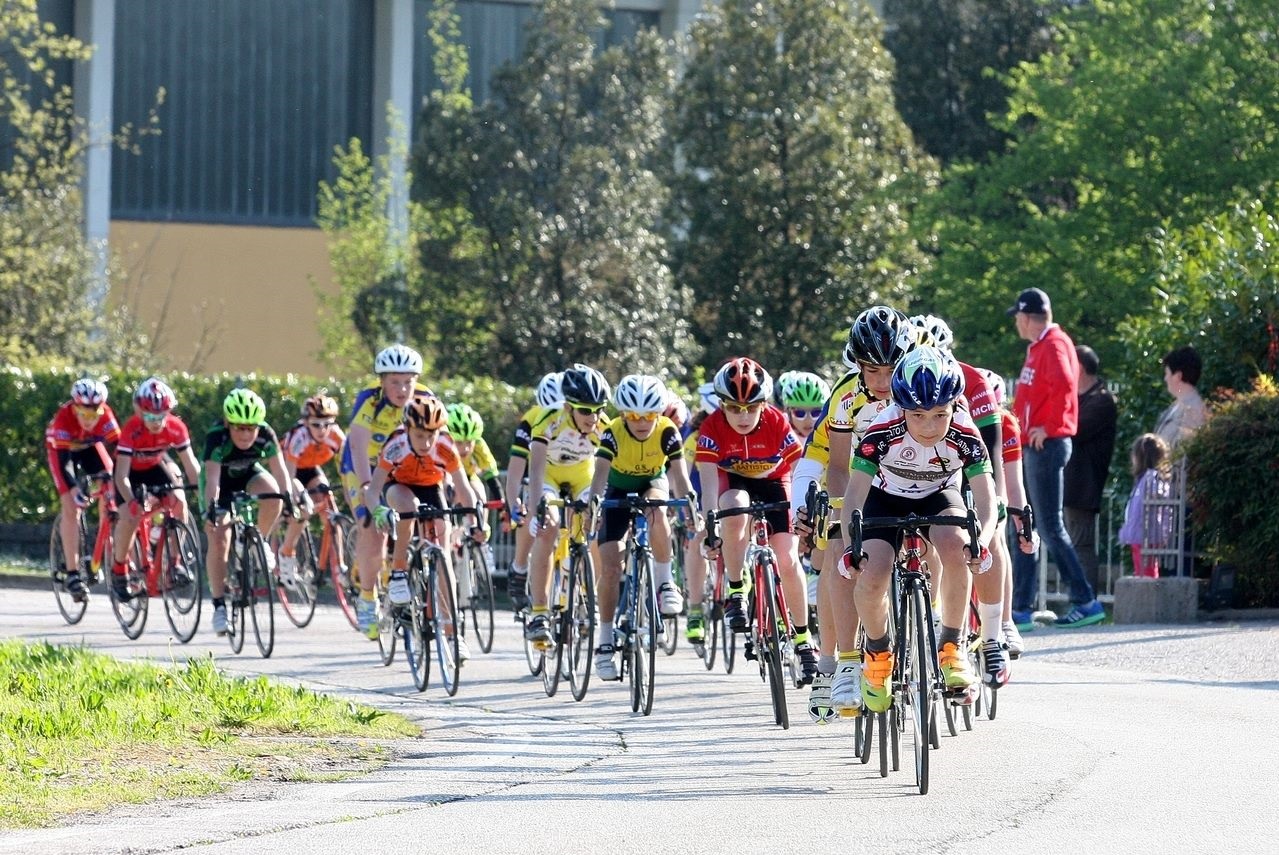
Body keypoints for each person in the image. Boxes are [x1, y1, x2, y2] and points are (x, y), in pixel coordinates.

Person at [839, 346, 998, 712]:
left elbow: (986, 502)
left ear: (955, 405)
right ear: (901, 409)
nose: (930, 426)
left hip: (938, 494)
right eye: (919, 415)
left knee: (958, 546)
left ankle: (952, 647)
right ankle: (877, 655)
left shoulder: (965, 434)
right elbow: (853, 498)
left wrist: (983, 543)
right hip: (883, 497)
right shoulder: (881, 431)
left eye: (940, 414)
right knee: (873, 573)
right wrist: (851, 546)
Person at [696, 357, 817, 683]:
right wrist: (710, 528)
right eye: (734, 408)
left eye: (751, 407)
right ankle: (736, 589)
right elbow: (708, 485)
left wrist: (804, 515)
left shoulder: (777, 421)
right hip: (734, 482)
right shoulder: (711, 428)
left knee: (788, 558)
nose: (744, 416)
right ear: (722, 406)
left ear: (764, 404)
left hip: (776, 482)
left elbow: (799, 470)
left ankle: (804, 639)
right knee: (732, 507)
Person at [588, 374, 698, 680]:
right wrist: (594, 506)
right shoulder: (612, 432)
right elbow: (599, 477)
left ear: (659, 413)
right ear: (624, 414)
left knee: (657, 508)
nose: (641, 422)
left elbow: (679, 477)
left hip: (653, 482)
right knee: (610, 567)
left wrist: (689, 503)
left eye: (649, 415)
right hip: (617, 490)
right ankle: (606, 641)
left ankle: (665, 583)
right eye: (633, 415)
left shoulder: (667, 431)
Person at [1008, 287, 1104, 628]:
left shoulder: (1055, 344)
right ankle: (1020, 608)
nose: (1016, 323)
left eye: (1017, 317)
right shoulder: (1040, 346)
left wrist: (1047, 428)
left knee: (1046, 526)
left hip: (1046, 446)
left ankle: (1086, 600)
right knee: (1024, 524)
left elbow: (1066, 382)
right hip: (1036, 445)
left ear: (1027, 316)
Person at [366, 397, 483, 661]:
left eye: (432, 435)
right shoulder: (395, 445)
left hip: (432, 489)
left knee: (444, 561)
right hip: (398, 487)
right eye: (420, 435)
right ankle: (397, 574)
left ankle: (453, 635)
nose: (427, 443)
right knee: (409, 506)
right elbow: (372, 491)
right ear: (408, 429)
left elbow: (464, 489)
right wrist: (379, 510)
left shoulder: (445, 446)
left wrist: (474, 521)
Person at [338, 344, 435, 637]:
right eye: (394, 381)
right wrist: (368, 489)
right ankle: (367, 599)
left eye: (408, 381)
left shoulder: (425, 399)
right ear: (382, 381)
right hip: (362, 466)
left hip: (399, 466)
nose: (402, 388)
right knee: (374, 527)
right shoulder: (370, 399)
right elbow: (356, 443)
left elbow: (440, 445)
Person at [521, 365, 612, 647]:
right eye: (585, 410)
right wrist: (540, 506)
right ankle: (538, 613)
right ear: (569, 407)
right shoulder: (548, 421)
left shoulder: (605, 427)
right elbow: (534, 471)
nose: (593, 417)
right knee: (547, 528)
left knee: (595, 524)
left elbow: (609, 470)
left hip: (582, 476)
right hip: (548, 474)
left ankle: (589, 595)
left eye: (598, 409)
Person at [202, 389, 295, 636]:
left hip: (247, 475)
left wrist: (288, 500)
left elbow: (280, 470)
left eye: (251, 428)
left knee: (272, 493)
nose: (246, 434)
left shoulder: (266, 434)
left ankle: (258, 541)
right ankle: (219, 605)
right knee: (219, 537)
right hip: (219, 484)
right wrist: (212, 511)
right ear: (227, 424)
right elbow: (212, 478)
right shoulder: (217, 436)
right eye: (239, 428)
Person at [111, 378, 202, 602]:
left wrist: (204, 496)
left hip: (155, 465)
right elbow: (121, 475)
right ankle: (119, 568)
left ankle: (176, 561)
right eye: (151, 416)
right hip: (129, 473)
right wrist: (131, 501)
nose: (156, 422)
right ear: (139, 412)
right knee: (131, 517)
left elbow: (191, 466)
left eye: (162, 416)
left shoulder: (175, 427)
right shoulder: (132, 429)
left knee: (179, 501)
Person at [45, 378, 121, 602]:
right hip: (62, 452)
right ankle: (72, 573)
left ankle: (101, 540)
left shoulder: (105, 415)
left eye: (95, 414)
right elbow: (65, 465)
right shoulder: (63, 418)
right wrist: (73, 488)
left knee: (111, 483)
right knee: (71, 505)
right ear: (74, 407)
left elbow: (119, 451)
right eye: (84, 414)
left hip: (90, 447)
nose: (90, 419)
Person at [503, 371, 564, 611]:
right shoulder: (531, 420)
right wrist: (513, 503)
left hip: (574, 472)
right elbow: (516, 469)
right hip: (544, 473)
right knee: (532, 511)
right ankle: (519, 567)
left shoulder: (581, 416)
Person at [1062, 345, 1118, 595]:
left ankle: (1086, 601)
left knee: (1081, 546)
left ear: (1079, 368)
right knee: (1073, 545)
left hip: (1083, 487)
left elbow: (1074, 429)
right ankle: (1079, 599)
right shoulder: (1082, 399)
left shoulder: (1102, 400)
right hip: (1071, 486)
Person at [277, 394, 346, 590]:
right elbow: (289, 476)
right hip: (289, 468)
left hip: (311, 468)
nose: (322, 429)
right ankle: (286, 552)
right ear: (306, 422)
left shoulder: (336, 436)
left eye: (328, 423)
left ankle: (339, 565)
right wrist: (294, 498)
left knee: (330, 508)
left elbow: (349, 467)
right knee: (304, 507)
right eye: (316, 424)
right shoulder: (299, 437)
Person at [1118, 434, 1173, 578]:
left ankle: (1149, 595)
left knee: (1146, 570)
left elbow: (1159, 495)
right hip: (1142, 532)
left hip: (1145, 533)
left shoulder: (1149, 478)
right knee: (1144, 569)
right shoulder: (1147, 478)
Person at [1155, 346, 1207, 451]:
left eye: (1167, 373)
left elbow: (1184, 456)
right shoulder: (1176, 406)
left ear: (1178, 376)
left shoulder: (1194, 411)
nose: (1165, 379)